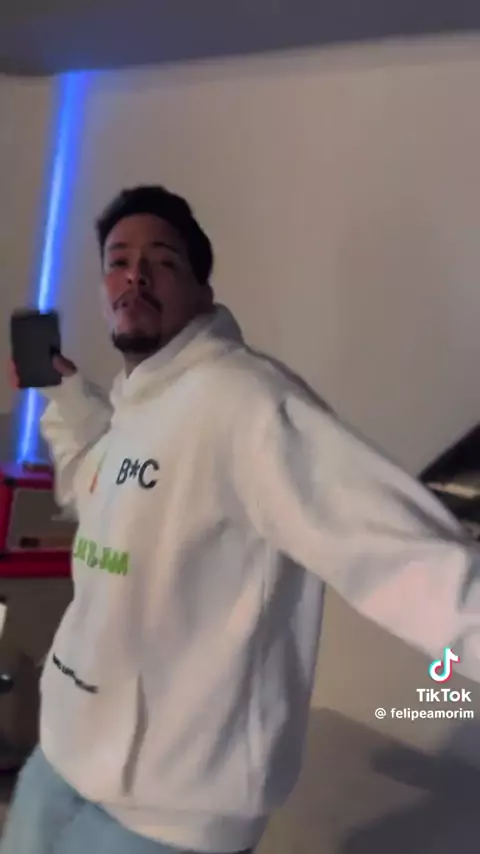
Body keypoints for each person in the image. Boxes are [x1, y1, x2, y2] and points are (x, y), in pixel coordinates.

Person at [3, 184, 480, 854]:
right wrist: (63, 395)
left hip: (168, 813)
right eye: (118, 261)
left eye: (162, 260)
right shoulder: (139, 404)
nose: (135, 275)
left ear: (202, 291)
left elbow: (395, 551)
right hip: (63, 756)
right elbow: (98, 487)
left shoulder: (248, 404)